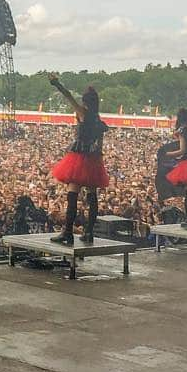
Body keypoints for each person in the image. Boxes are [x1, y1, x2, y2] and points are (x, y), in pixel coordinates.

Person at [48, 75, 109, 245]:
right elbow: (100, 146)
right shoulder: (98, 120)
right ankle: (89, 233)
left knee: (72, 193)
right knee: (92, 196)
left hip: (80, 157)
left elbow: (68, 96)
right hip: (94, 159)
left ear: (85, 102)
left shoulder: (83, 113)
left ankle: (67, 232)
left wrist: (56, 83)